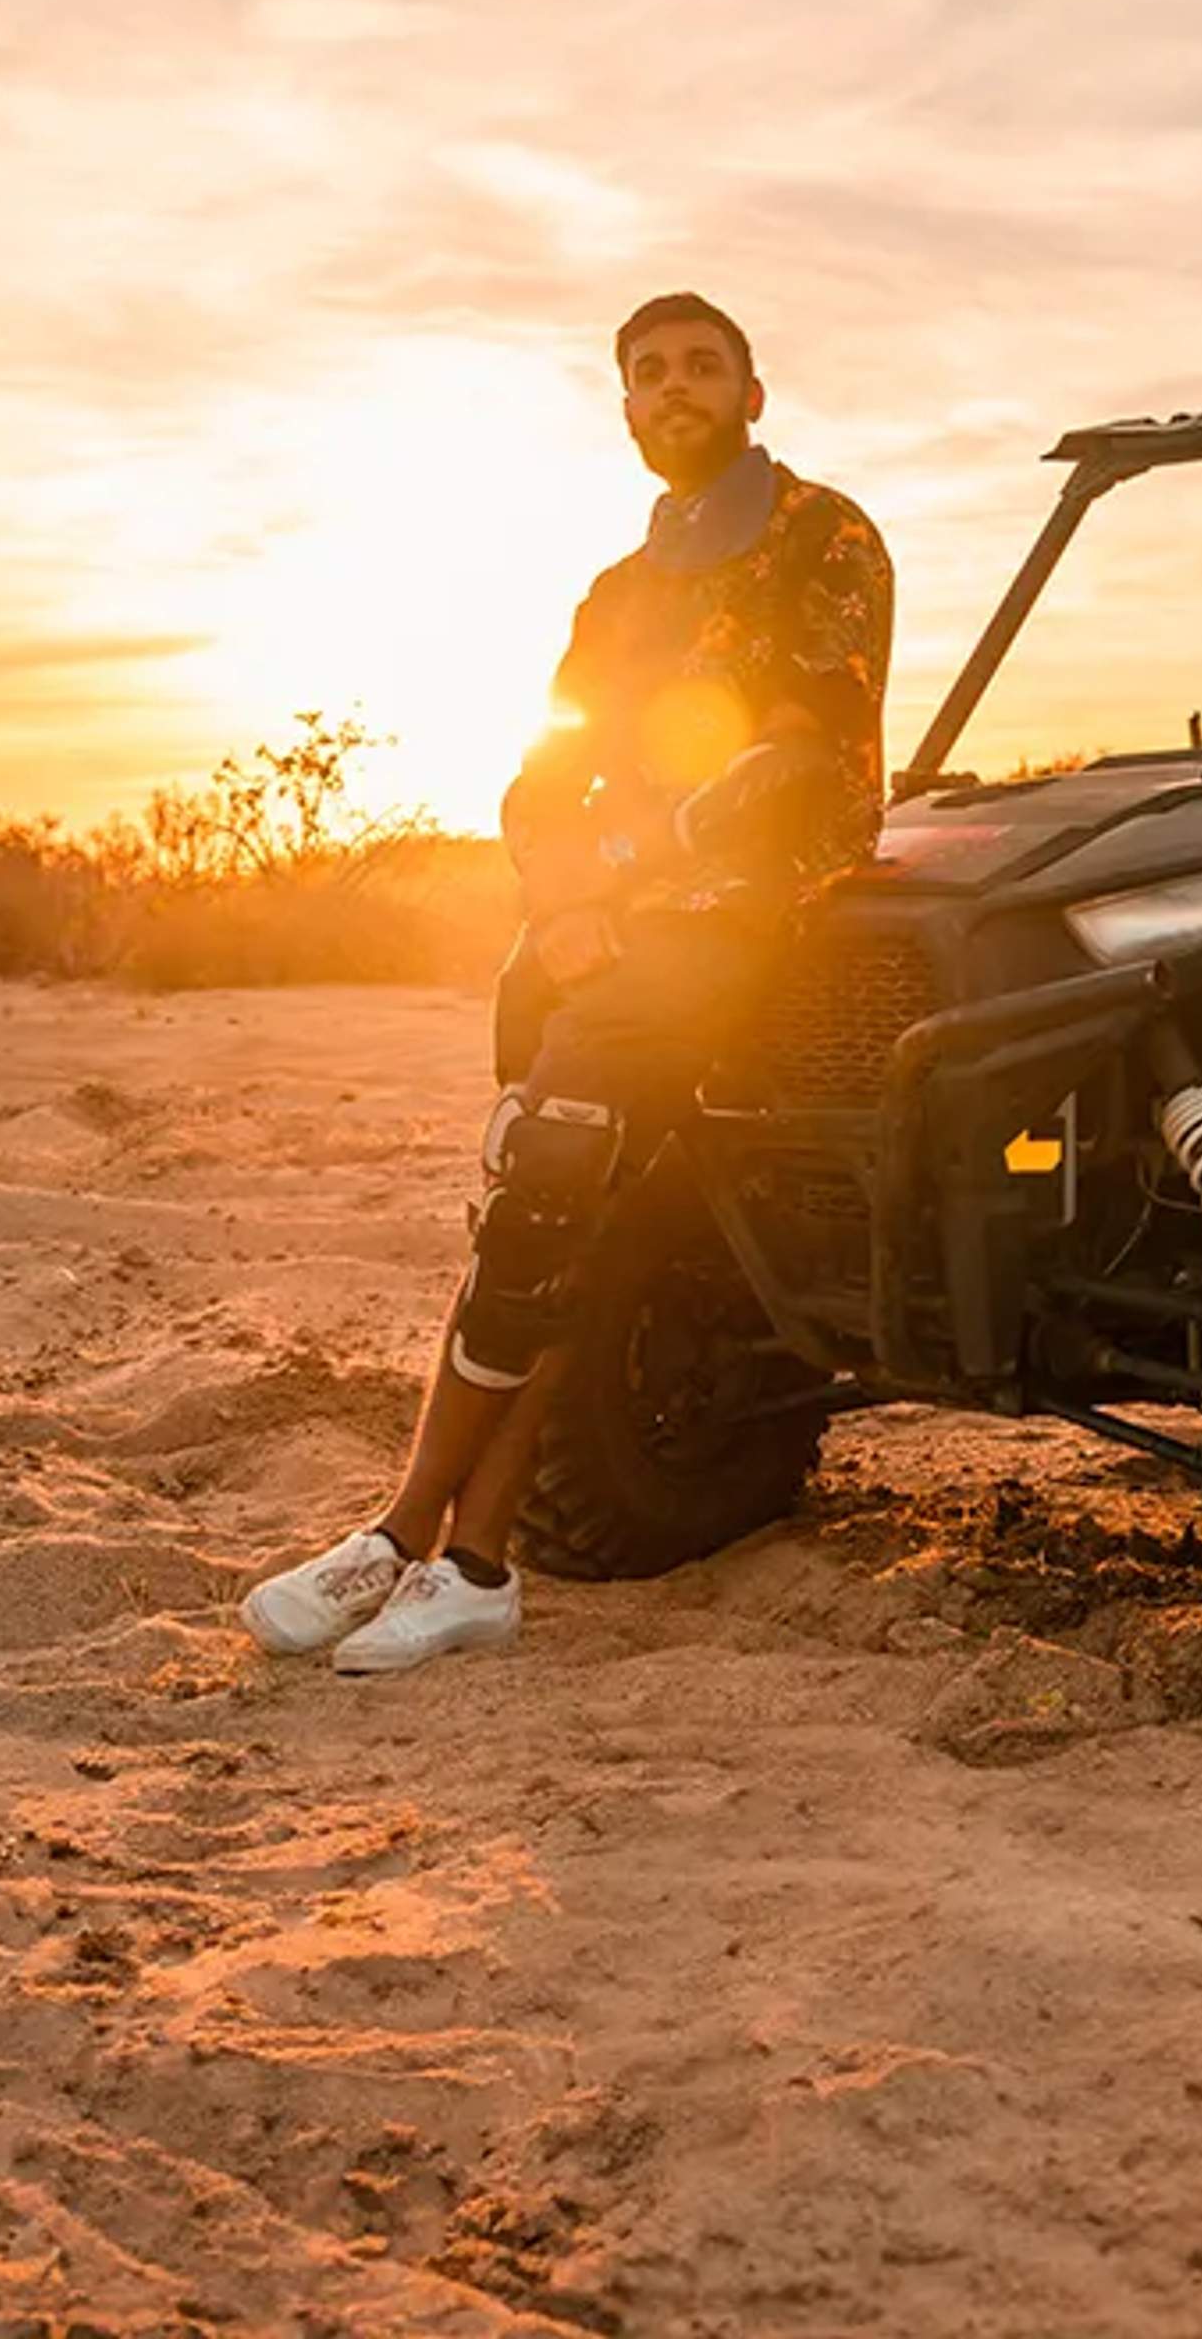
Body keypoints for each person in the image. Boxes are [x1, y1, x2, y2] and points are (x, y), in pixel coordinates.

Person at [241, 292, 893, 1674]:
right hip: (625, 930)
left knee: (552, 1175)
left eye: (702, 367)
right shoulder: (618, 594)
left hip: (766, 918)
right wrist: (572, 897)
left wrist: (623, 867)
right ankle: (466, 1563)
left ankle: (412, 1526)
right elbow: (540, 779)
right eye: (647, 372)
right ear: (622, 407)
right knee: (561, 1209)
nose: (674, 389)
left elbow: (784, 764)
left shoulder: (820, 537)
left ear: (753, 394)